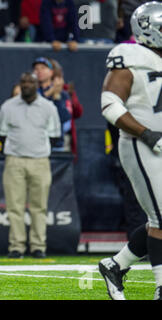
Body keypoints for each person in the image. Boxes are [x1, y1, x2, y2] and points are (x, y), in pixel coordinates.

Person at [98, 2, 162, 300]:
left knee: (157, 220)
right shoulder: (132, 55)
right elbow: (110, 104)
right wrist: (146, 133)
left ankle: (115, 265)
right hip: (139, 143)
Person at [0, 72, 61, 259]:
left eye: (30, 82)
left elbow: (55, 136)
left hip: (40, 161)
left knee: (39, 206)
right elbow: (1, 134)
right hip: (14, 160)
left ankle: (38, 246)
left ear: (37, 85)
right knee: (14, 206)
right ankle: (16, 247)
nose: (26, 85)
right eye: (23, 81)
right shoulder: (8, 107)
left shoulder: (48, 107)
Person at [32, 57, 71, 152]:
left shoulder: (62, 94)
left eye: (43, 68)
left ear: (51, 72)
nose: (39, 71)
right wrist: (50, 93)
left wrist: (56, 96)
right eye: (36, 69)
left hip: (56, 145)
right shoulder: (30, 93)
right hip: (35, 144)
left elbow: (66, 118)